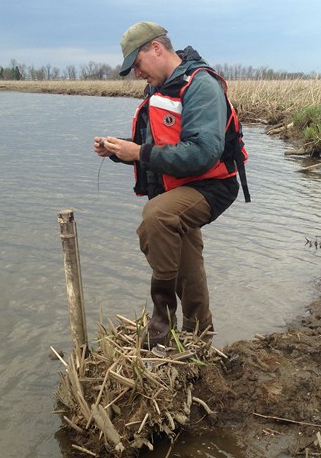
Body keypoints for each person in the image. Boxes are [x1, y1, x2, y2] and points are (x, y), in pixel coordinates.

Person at [93, 21, 246, 348]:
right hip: (180, 186)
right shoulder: (159, 91)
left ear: (156, 49)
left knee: (157, 218)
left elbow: (204, 153)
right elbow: (150, 149)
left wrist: (139, 151)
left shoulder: (200, 86)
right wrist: (120, 151)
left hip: (212, 185)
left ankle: (162, 315)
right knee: (188, 265)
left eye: (137, 64)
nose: (137, 74)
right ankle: (199, 338)